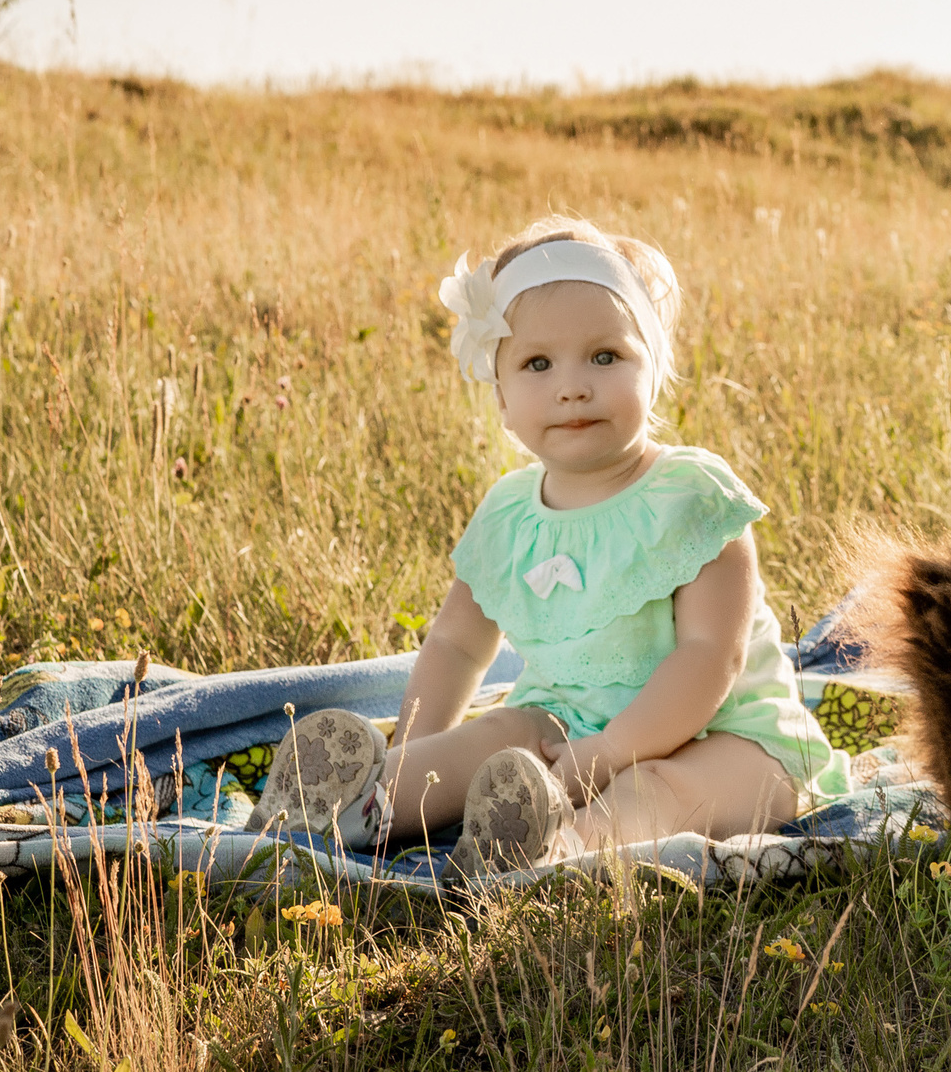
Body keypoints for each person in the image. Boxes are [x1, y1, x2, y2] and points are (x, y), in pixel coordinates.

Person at [245, 218, 849, 875]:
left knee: (653, 791)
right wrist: (418, 749)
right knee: (501, 732)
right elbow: (454, 644)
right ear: (502, 397)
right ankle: (366, 801)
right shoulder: (511, 513)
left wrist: (615, 750)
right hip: (570, 728)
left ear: (655, 367)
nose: (572, 385)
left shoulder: (691, 496)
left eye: (605, 355)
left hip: (730, 741)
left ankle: (558, 849)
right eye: (538, 363)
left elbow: (712, 657)